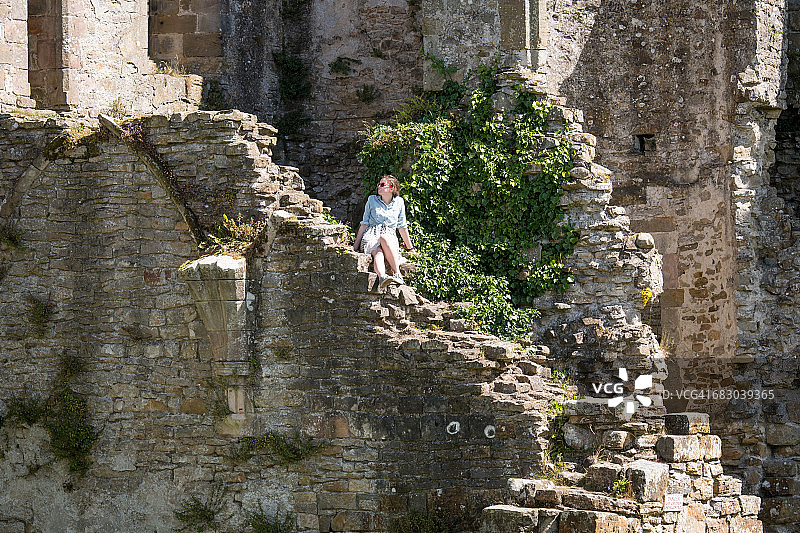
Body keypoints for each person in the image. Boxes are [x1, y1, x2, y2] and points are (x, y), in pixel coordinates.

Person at [353, 175, 414, 288]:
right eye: (378, 184)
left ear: (392, 188)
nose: (379, 187)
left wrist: (410, 248)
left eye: (382, 185)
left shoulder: (399, 202)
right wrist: (355, 246)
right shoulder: (372, 200)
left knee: (384, 238)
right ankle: (382, 277)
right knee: (377, 251)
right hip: (371, 235)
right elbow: (364, 223)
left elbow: (402, 226)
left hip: (389, 236)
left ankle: (397, 274)